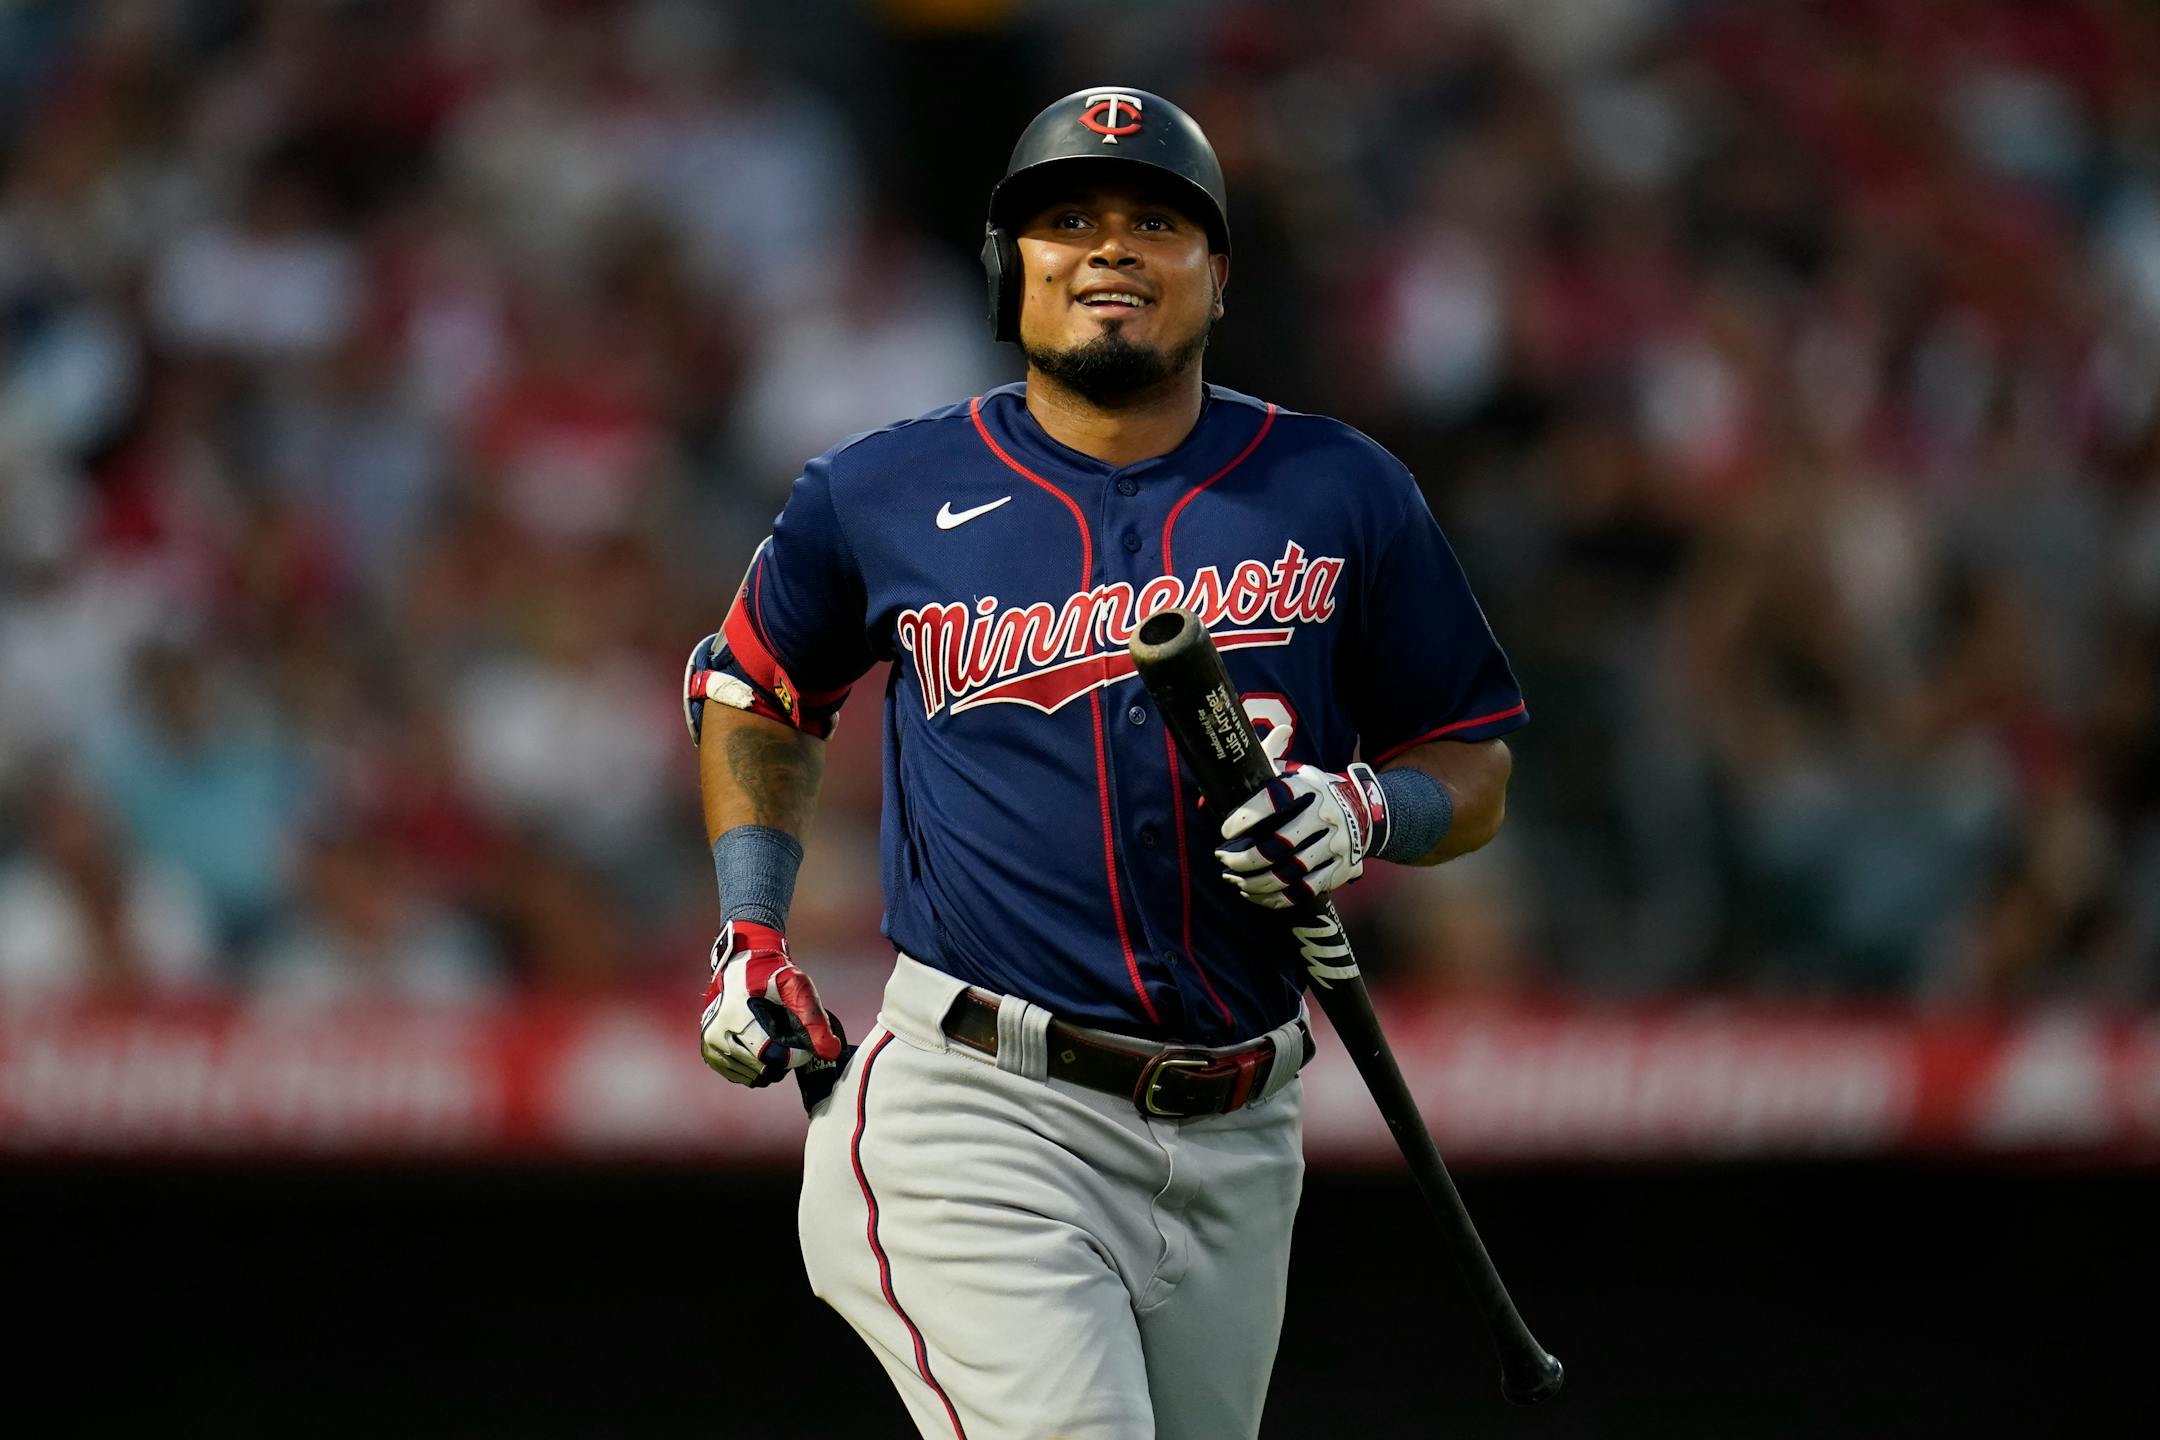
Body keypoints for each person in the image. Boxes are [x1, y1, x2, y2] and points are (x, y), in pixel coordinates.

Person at [682, 88, 1526, 1440]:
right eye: (1066, 220)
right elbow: (757, 691)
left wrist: (1372, 810)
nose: (1110, 249)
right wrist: (749, 927)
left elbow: (1474, 759)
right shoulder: (879, 489)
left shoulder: (1341, 486)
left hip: (1244, 1127)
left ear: (1221, 274)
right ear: (1009, 269)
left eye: (1156, 222)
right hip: (982, 1111)